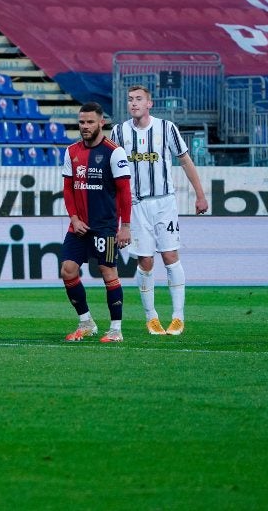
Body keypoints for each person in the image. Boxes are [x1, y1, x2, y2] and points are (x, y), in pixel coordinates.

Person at [111, 85, 209, 336]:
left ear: (149, 104)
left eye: (139, 99)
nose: (133, 103)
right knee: (145, 260)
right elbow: (113, 173)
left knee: (170, 256)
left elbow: (185, 160)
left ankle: (178, 317)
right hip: (135, 204)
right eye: (130, 99)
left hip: (164, 202)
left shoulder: (166, 128)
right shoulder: (119, 132)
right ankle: (151, 317)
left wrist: (200, 194)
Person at [62, 102, 132, 343]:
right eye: (82, 122)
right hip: (78, 225)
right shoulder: (71, 151)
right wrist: (73, 217)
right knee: (67, 270)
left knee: (107, 271)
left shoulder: (115, 152)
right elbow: (68, 189)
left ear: (101, 122)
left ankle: (115, 330)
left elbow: (124, 192)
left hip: (105, 225)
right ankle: (86, 322)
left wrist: (125, 226)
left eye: (90, 122)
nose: (85, 126)